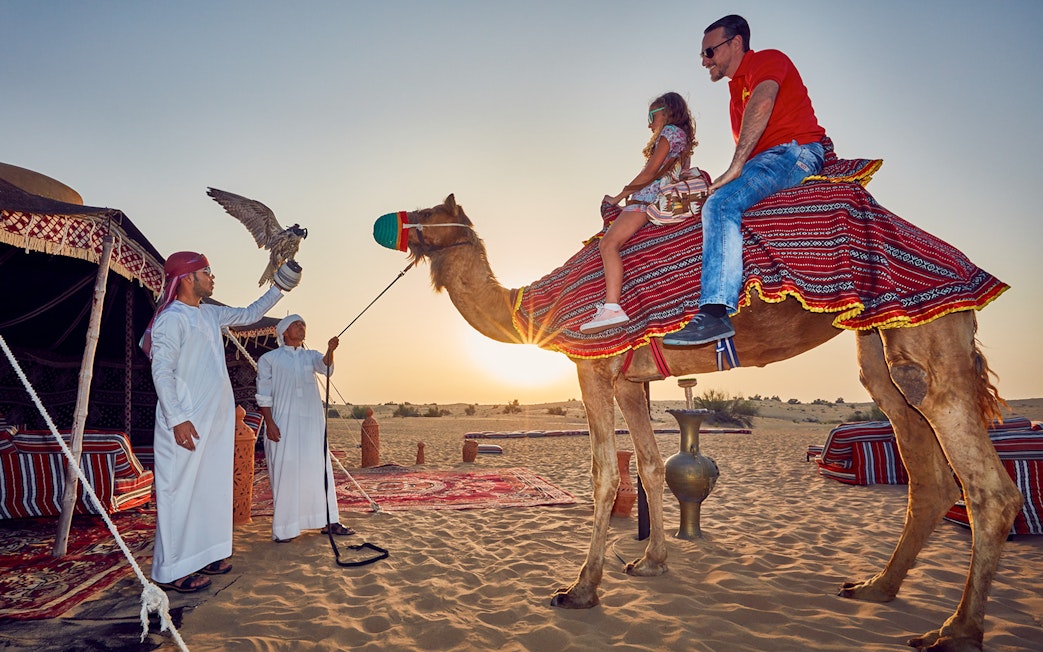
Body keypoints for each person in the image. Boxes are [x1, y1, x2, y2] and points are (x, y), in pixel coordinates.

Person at [663, 14, 826, 346]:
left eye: (709, 52)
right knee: (704, 202)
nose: (704, 61)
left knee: (721, 205)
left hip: (792, 153)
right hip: (766, 160)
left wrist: (735, 168)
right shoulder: (735, 90)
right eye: (702, 55)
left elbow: (764, 102)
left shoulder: (767, 60)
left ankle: (714, 313)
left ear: (735, 43)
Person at [145, 251, 295, 593]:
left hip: (213, 422)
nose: (213, 278)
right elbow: (162, 370)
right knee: (180, 491)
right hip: (184, 422)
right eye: (207, 272)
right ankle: (171, 571)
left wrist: (281, 285)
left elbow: (250, 313)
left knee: (210, 488)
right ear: (187, 278)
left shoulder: (210, 314)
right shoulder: (171, 318)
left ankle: (207, 554)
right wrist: (178, 418)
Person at [580, 92, 697, 334]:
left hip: (646, 199)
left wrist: (619, 197)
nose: (649, 123)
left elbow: (650, 172)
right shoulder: (683, 138)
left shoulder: (669, 132)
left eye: (652, 115)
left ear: (666, 112)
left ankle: (612, 307)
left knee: (608, 245)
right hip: (659, 200)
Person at [256, 314, 354, 543]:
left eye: (304, 325)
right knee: (287, 472)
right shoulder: (269, 359)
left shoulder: (310, 356)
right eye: (296, 324)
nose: (302, 328)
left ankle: (328, 521)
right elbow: (263, 394)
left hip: (311, 422)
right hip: (282, 422)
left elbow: (325, 368)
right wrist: (269, 423)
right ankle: (286, 529)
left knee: (319, 468)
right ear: (284, 332)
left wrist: (331, 351)